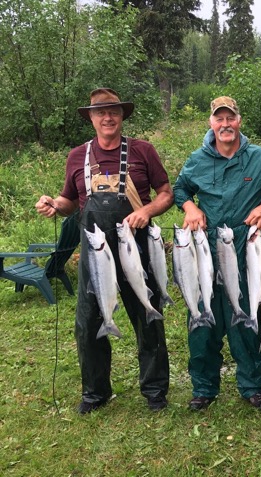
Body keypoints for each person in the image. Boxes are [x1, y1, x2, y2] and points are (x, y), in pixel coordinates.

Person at [35, 88, 174, 414]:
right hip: (95, 254)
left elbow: (166, 193)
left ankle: (154, 391)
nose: (108, 117)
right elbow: (70, 203)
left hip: (136, 248)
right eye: (101, 112)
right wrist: (55, 205)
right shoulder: (76, 156)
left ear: (122, 116)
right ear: (92, 118)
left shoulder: (143, 151)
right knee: (87, 322)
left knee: (147, 316)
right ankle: (96, 393)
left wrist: (147, 211)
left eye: (113, 111)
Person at [173, 96, 261, 412]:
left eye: (231, 118)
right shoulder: (196, 160)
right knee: (202, 321)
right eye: (219, 118)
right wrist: (190, 206)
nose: (225, 124)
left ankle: (253, 386)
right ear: (211, 123)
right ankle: (204, 388)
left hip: (247, 249)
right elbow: (179, 190)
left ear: (239, 121)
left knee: (247, 318)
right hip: (205, 252)